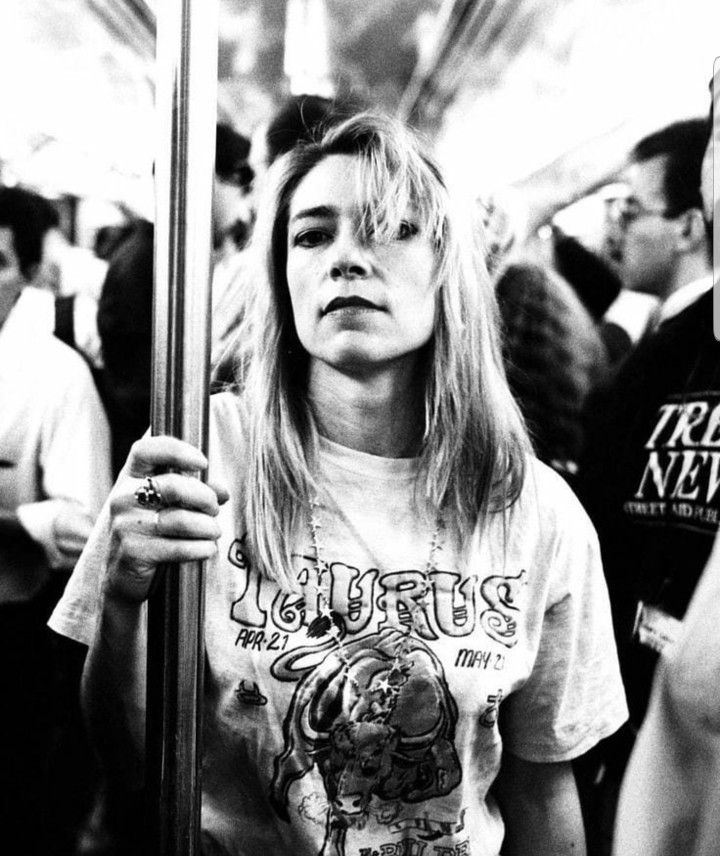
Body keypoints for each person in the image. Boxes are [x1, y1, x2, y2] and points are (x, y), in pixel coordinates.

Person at [51, 114, 627, 856]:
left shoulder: (532, 509)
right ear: (281, 274)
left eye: (389, 227)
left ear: (448, 266)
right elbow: (128, 760)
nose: (347, 258)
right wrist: (126, 599)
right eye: (313, 235)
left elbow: (542, 790)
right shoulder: (199, 457)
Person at [576, 110, 718, 855]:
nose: (616, 231)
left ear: (691, 225)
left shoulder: (657, 365)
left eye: (632, 210)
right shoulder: (659, 349)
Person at [0, 185, 112, 854]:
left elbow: (85, 525)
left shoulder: (55, 373)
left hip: (14, 628)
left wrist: (10, 520)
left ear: (34, 273)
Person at [98, 123, 254, 475]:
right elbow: (147, 390)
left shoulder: (159, 255)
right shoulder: (155, 264)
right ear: (206, 178)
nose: (244, 203)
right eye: (239, 183)